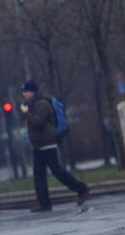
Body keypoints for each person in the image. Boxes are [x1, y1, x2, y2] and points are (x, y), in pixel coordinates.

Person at [20, 79, 90, 212]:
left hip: (47, 143)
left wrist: (26, 112)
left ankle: (82, 188)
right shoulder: (33, 104)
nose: (24, 94)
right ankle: (44, 203)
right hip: (38, 145)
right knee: (38, 175)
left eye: (26, 91)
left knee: (56, 170)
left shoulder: (42, 104)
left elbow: (37, 122)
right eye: (23, 92)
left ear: (33, 92)